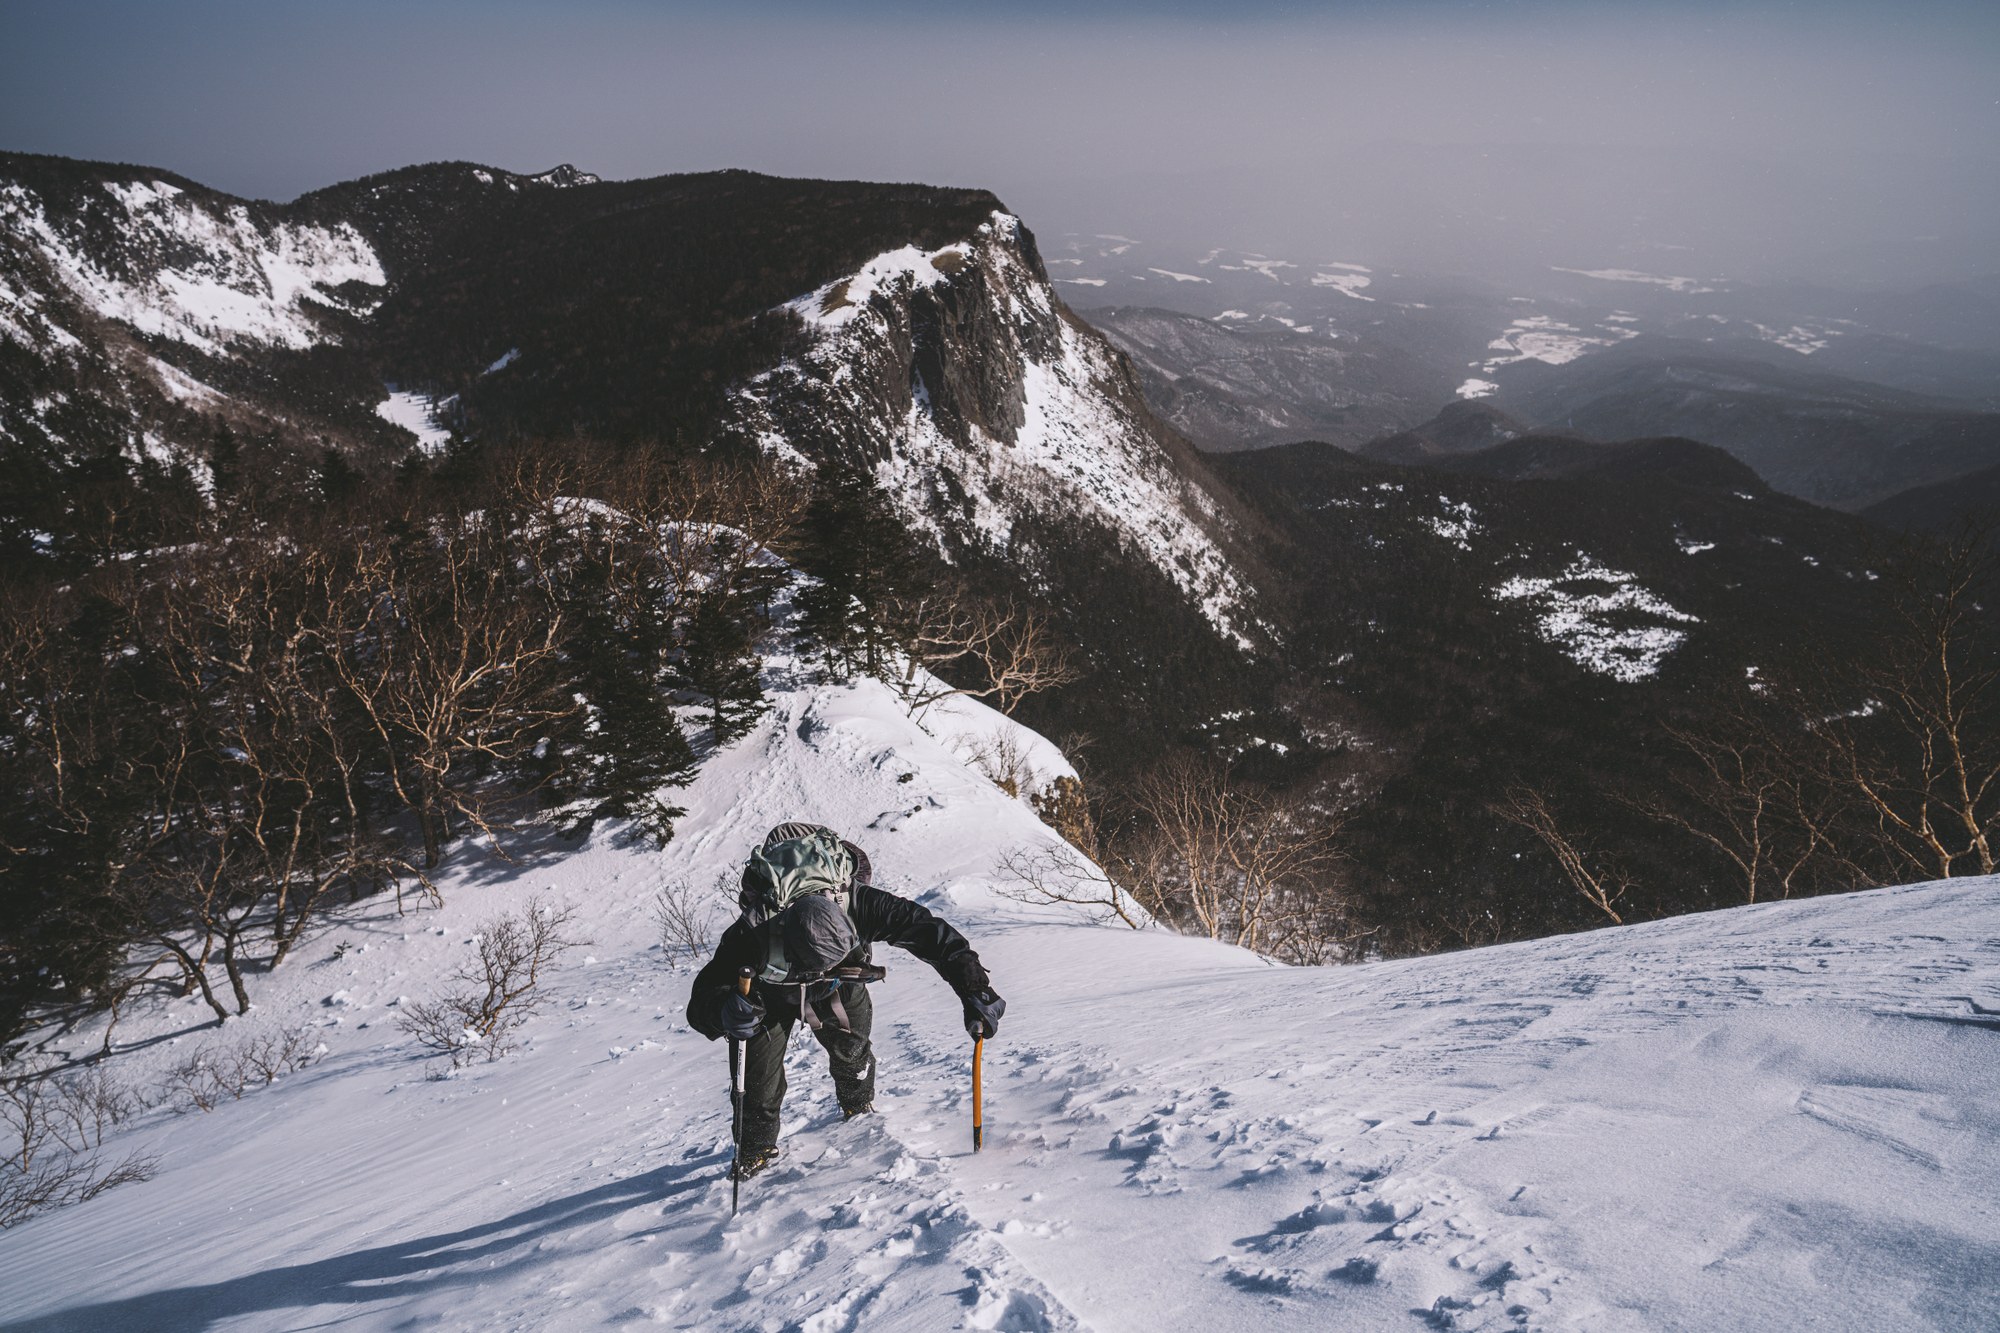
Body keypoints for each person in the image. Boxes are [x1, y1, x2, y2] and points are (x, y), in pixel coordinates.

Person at [686, 822, 1006, 1181]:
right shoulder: (753, 932)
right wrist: (727, 1011)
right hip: (767, 998)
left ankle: (857, 1106)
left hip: (841, 984)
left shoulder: (861, 904)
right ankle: (754, 1151)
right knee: (756, 1083)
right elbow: (702, 1001)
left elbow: (931, 934)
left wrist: (974, 988)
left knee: (852, 1051)